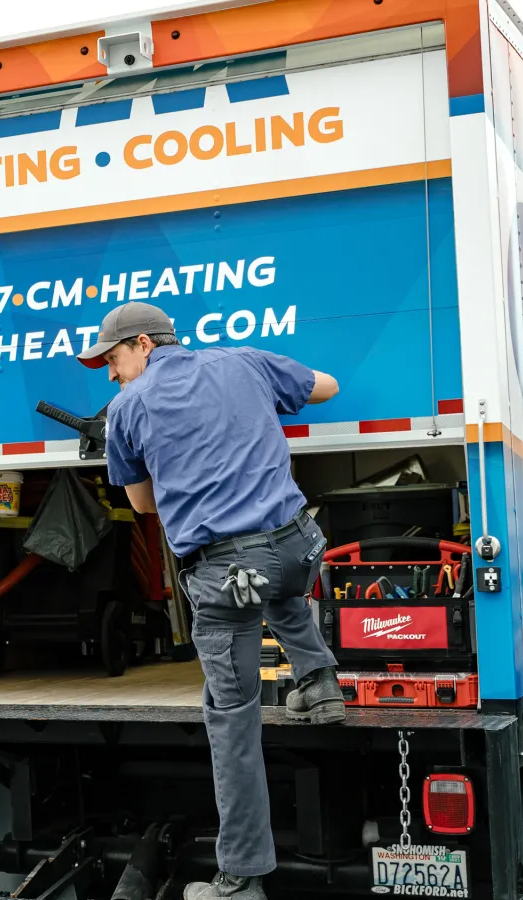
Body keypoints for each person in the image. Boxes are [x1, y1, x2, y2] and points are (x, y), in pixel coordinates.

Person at [76, 302, 342, 900]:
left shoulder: (128, 408)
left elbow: (143, 508)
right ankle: (319, 678)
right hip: (301, 547)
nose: (111, 375)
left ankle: (241, 879)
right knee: (276, 578)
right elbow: (326, 386)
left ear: (143, 345)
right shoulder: (245, 360)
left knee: (234, 722)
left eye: (113, 359)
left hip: (230, 572)